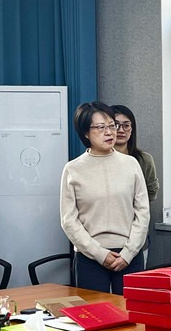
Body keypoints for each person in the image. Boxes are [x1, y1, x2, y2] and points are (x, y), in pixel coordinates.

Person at [60, 101, 150, 295]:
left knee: (131, 311)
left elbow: (143, 212)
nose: (109, 132)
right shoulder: (73, 169)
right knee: (93, 311)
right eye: (101, 128)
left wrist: (128, 253)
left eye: (111, 126)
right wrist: (99, 253)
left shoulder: (131, 164)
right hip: (89, 257)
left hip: (129, 255)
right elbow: (69, 220)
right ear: (86, 133)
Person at [112, 105, 159, 202]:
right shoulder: (98, 159)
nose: (121, 130)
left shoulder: (144, 160)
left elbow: (152, 192)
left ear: (132, 129)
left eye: (126, 126)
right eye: (116, 125)